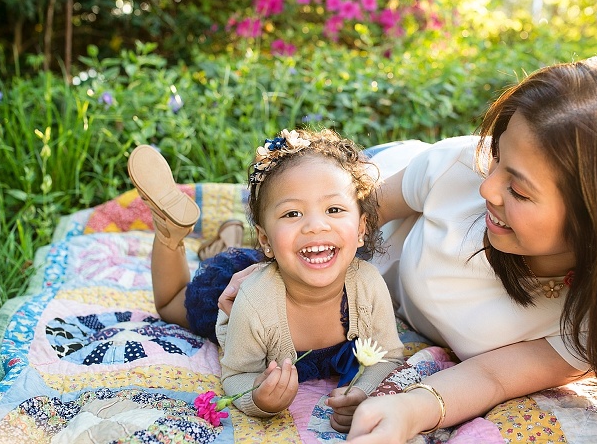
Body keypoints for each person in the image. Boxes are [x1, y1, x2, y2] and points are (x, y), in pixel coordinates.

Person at [218, 56, 597, 442]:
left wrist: (409, 409)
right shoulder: (462, 171)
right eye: (500, 157)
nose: (489, 189)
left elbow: (494, 377)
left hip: (382, 288)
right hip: (369, 202)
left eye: (520, 191)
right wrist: (270, 265)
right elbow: (351, 215)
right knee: (282, 210)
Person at [127, 128, 404, 425]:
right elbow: (237, 374)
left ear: (361, 228)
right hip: (231, 299)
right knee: (171, 304)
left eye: (333, 209)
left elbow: (388, 356)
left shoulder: (369, 286)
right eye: (292, 214)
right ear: (264, 238)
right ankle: (171, 234)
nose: (315, 225)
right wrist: (258, 398)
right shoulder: (253, 302)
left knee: (267, 249)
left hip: (285, 259)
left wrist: (363, 391)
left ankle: (227, 235)